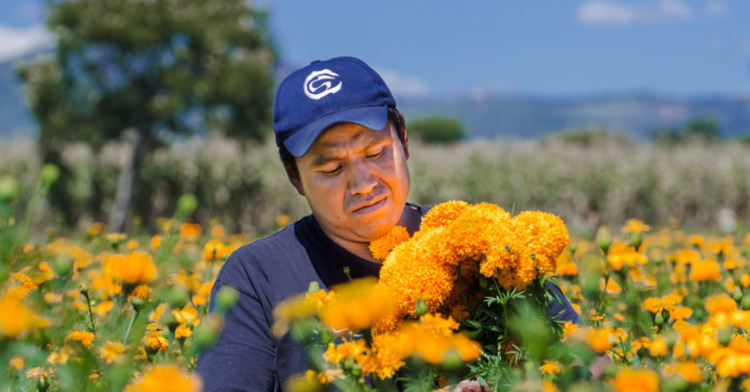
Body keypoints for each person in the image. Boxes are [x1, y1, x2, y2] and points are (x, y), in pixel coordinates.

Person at [194, 56, 579, 391]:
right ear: (294, 177)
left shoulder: (481, 243)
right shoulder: (258, 276)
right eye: (331, 168)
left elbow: (584, 368)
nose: (363, 184)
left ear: (404, 138)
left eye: (376, 152)